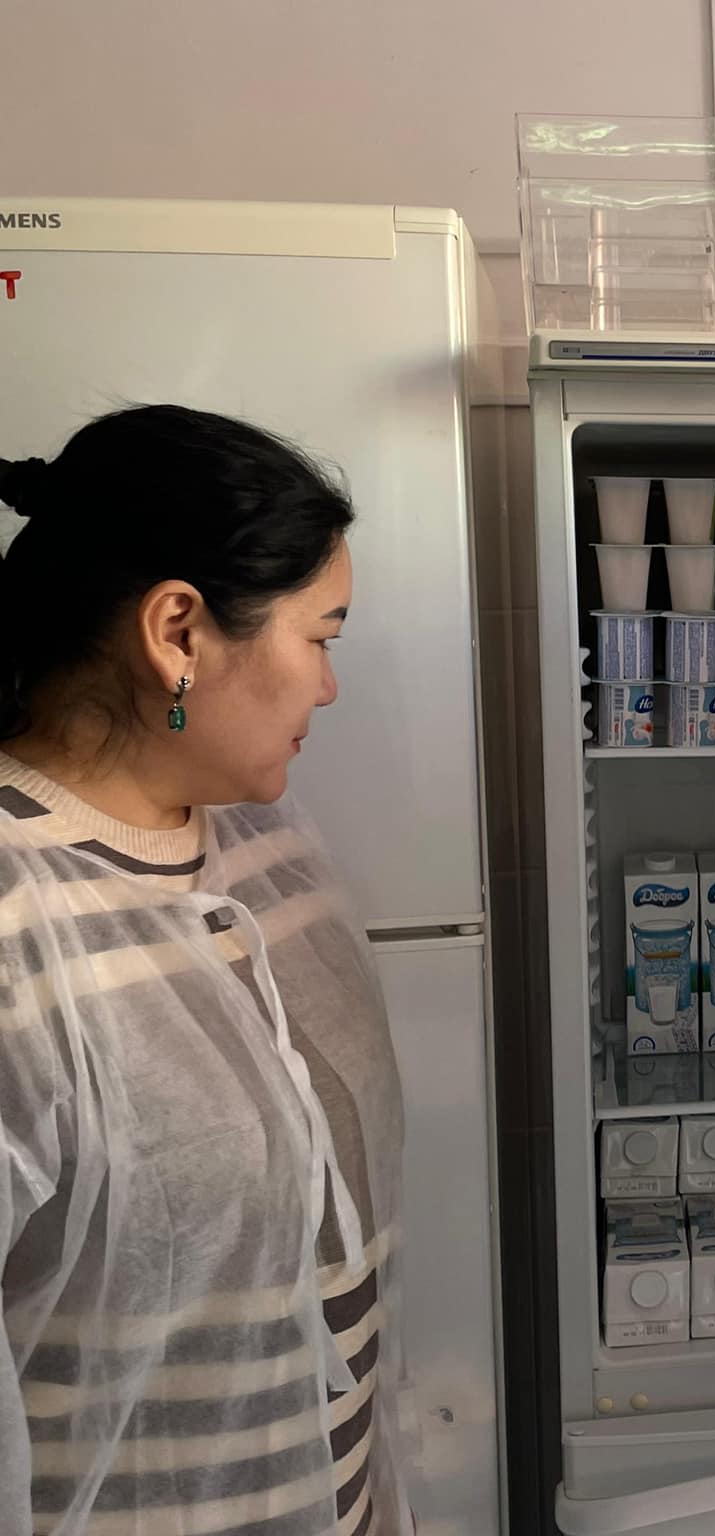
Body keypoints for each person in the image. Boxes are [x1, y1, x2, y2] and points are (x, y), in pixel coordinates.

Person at [0, 406, 406, 1534]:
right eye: (320, 638)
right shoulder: (15, 922)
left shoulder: (263, 841)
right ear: (178, 631)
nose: (328, 688)